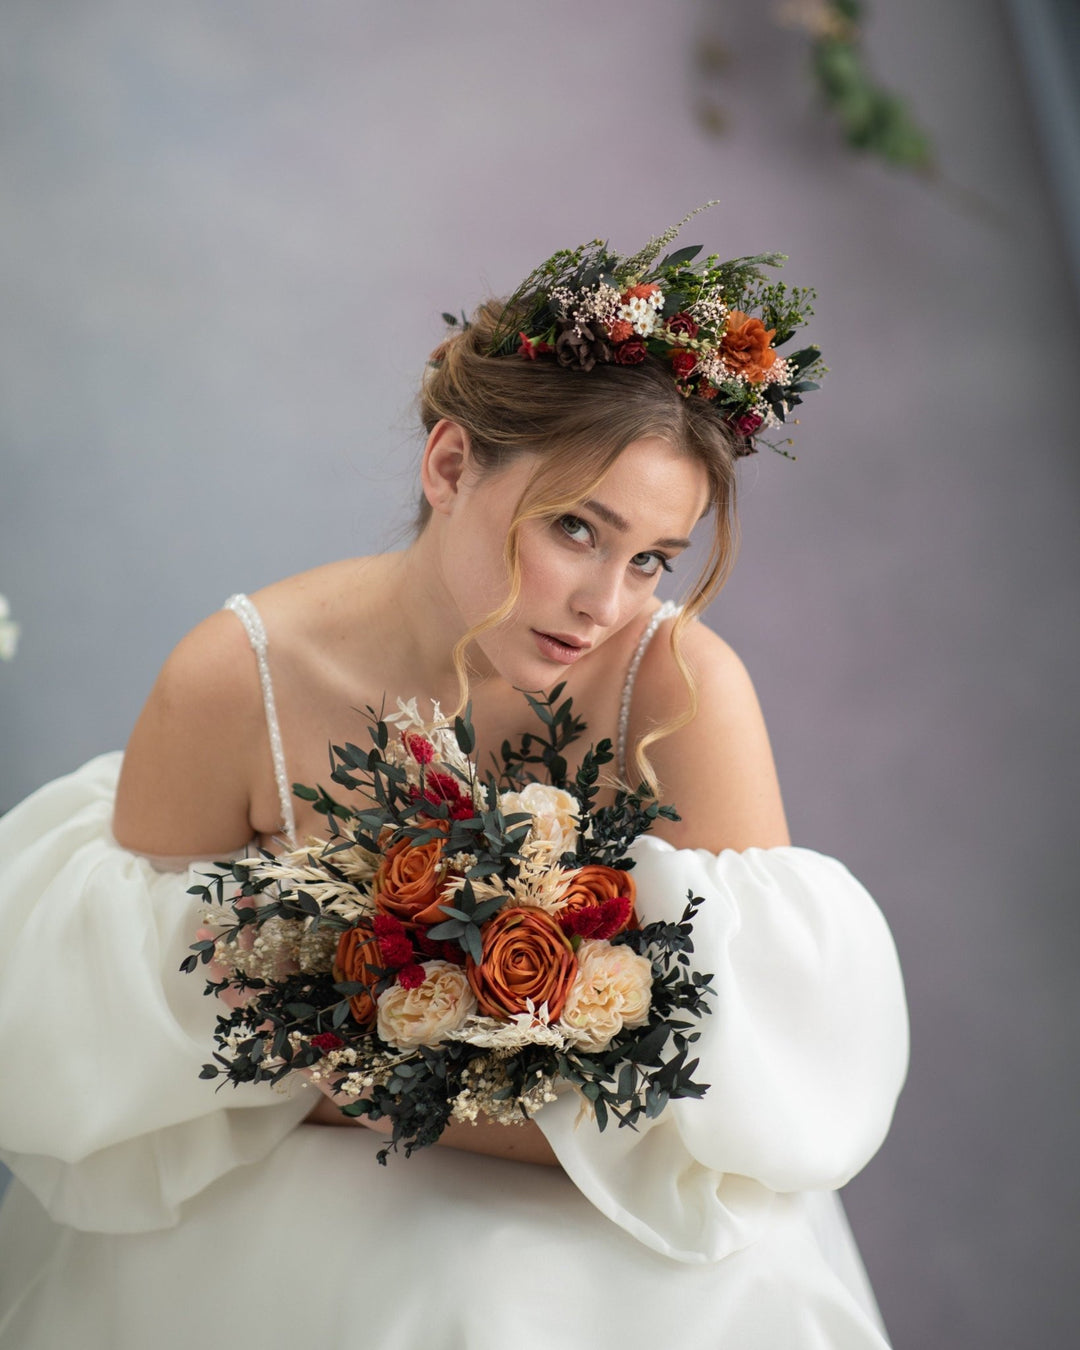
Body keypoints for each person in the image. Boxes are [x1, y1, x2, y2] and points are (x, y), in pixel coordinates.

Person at [0, 217, 908, 1348]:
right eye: (575, 528)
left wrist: (376, 1074)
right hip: (297, 1194)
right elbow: (114, 1045)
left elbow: (741, 1082)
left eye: (649, 560)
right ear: (447, 466)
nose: (604, 604)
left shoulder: (680, 687)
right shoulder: (236, 679)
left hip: (607, 1203)